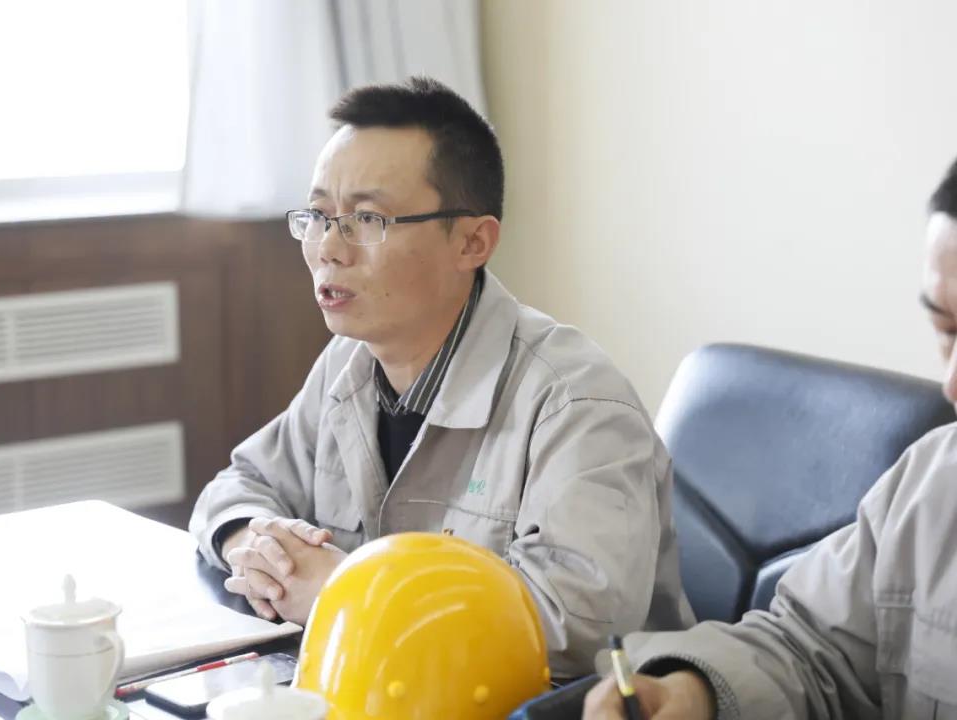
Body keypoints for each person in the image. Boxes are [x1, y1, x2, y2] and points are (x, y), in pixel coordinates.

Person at [189, 77, 694, 676]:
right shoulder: (349, 362)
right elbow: (240, 482)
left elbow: (577, 632)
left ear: (473, 242)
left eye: (367, 219)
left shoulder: (576, 403)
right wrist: (252, 544)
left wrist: (351, 591)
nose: (328, 248)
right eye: (319, 216)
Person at [583, 156, 957, 718]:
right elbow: (809, 648)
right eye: (947, 329)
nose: (952, 384)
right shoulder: (933, 485)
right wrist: (695, 691)